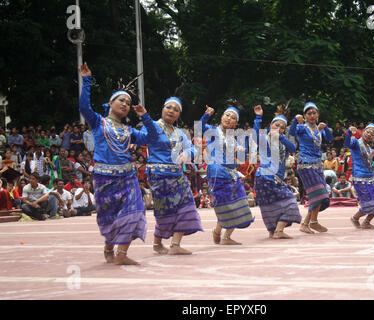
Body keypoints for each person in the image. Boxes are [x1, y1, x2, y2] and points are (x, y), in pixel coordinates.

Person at [79, 62, 152, 265]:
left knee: (135, 211)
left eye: (128, 103)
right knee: (110, 218)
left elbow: (152, 137)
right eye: (121, 100)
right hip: (104, 177)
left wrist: (145, 116)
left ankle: (122, 254)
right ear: (111, 103)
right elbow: (84, 107)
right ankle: (109, 246)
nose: (125, 104)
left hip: (128, 176)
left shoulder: (129, 131)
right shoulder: (98, 122)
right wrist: (86, 81)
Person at [139, 96, 203, 255]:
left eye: (176, 110)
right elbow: (142, 138)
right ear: (162, 109)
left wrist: (187, 154)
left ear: (179, 115)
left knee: (186, 206)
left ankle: (175, 244)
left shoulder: (180, 133)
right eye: (169, 107)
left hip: (177, 175)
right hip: (158, 175)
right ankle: (157, 243)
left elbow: (192, 148)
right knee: (164, 210)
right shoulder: (152, 125)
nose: (171, 111)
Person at [200, 102, 254, 244]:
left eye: (233, 117)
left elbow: (241, 156)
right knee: (225, 205)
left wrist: (241, 150)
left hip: (231, 173)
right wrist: (206, 115)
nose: (229, 118)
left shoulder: (234, 138)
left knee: (240, 204)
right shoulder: (212, 131)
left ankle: (222, 234)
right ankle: (222, 234)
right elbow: (199, 127)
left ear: (235, 124)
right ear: (222, 116)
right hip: (217, 171)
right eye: (227, 115)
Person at [252, 105, 301, 239]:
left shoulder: (282, 141)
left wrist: (281, 137)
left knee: (272, 205)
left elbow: (293, 148)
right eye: (276, 125)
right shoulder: (264, 138)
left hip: (274, 178)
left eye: (282, 127)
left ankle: (274, 231)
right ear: (270, 125)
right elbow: (255, 133)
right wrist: (258, 117)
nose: (278, 129)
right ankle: (278, 231)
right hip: (266, 177)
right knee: (290, 202)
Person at [289, 102, 333, 234]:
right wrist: (296, 122)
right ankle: (312, 222)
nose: (312, 116)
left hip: (318, 164)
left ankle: (307, 223)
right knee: (319, 192)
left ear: (318, 115)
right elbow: (292, 132)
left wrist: (325, 128)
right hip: (306, 164)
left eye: (314, 113)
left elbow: (330, 139)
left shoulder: (319, 129)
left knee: (320, 194)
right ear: (304, 116)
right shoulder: (302, 128)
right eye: (309, 113)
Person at [345, 123, 374, 229]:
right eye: (368, 131)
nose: (369, 134)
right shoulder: (356, 143)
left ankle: (366, 222)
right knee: (369, 203)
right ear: (364, 132)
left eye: (372, 134)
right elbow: (347, 143)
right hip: (359, 177)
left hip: (371, 178)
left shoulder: (369, 149)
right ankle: (355, 218)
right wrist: (349, 132)